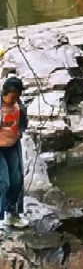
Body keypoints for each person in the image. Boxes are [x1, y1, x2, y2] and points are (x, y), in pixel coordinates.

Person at [0, 75, 27, 228]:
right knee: (3, 182)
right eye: (13, 97)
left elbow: (23, 121)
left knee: (17, 181)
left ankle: (13, 214)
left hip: (13, 146)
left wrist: (20, 131)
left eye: (18, 97)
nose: (15, 100)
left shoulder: (18, 104)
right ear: (5, 94)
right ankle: (0, 219)